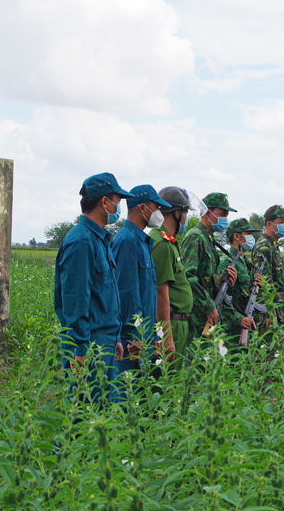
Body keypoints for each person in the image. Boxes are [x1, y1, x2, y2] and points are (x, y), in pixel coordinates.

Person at [54, 172, 132, 403]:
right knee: (81, 418)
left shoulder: (100, 239)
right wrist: (80, 348)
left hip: (105, 340)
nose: (118, 207)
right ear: (104, 202)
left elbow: (104, 296)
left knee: (101, 418)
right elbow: (75, 299)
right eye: (117, 201)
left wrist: (115, 336)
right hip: (89, 344)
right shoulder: (81, 241)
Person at [111, 184, 169, 391]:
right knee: (127, 400)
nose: (159, 213)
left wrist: (154, 335)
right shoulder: (126, 241)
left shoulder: (141, 241)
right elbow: (127, 293)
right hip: (131, 342)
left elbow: (147, 296)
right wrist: (137, 337)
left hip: (143, 338)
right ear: (142, 208)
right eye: (156, 207)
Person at [180, 192, 238, 342]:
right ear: (207, 212)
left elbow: (207, 277)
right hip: (197, 316)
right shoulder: (196, 237)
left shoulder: (209, 239)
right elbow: (188, 277)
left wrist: (227, 280)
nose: (225, 218)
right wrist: (208, 306)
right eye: (222, 213)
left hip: (208, 315)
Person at [149, 187, 196, 363]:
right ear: (177, 213)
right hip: (171, 324)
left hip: (179, 322)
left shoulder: (168, 240)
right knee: (167, 383)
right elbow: (161, 292)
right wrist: (167, 336)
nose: (186, 218)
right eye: (185, 212)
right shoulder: (161, 242)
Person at [217, 218, 264, 347]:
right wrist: (238, 319)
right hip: (232, 329)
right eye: (248, 234)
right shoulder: (227, 262)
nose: (251, 238)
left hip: (245, 322)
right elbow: (220, 298)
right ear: (237, 236)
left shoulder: (244, 262)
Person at [252, 205, 284, 343]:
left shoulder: (273, 245)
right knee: (267, 356)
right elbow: (263, 282)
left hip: (278, 309)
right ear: (269, 224)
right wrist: (269, 313)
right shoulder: (264, 246)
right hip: (270, 313)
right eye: (282, 222)